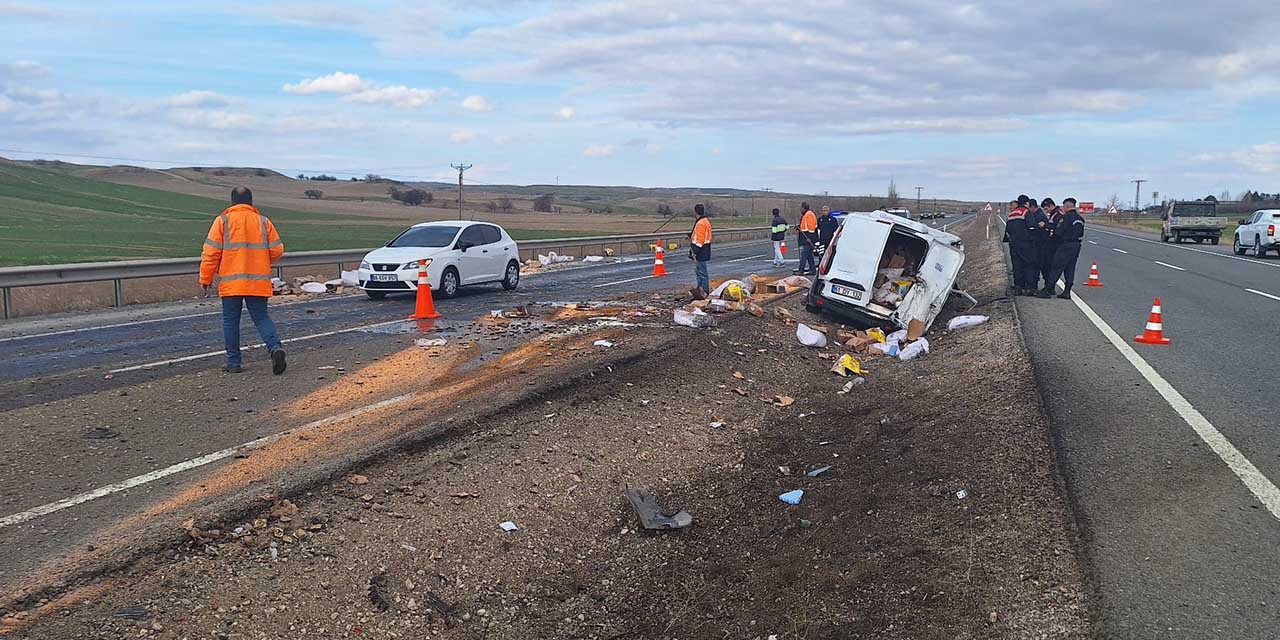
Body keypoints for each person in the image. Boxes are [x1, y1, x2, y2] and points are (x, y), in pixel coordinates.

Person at [200, 186, 287, 374]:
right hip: (257, 281)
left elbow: (210, 253)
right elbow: (278, 249)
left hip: (231, 283)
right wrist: (261, 261)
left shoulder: (222, 221)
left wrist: (205, 278)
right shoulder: (263, 222)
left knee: (230, 321)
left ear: (232, 202)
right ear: (251, 201)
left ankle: (234, 363)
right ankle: (275, 348)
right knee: (261, 317)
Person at [1042, 198, 1085, 299]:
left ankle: (1048, 290)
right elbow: (1081, 233)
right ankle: (1067, 291)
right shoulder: (1080, 219)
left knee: (1056, 267)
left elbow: (1059, 232)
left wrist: (1052, 236)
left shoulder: (1066, 218)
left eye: (1064, 206)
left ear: (1067, 206)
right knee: (1070, 268)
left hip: (1065, 245)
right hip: (1076, 245)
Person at [1002, 196, 1034, 296]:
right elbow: (1032, 227)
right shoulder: (1026, 212)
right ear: (1026, 203)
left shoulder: (1012, 214)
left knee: (1017, 266)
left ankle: (1018, 287)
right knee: (1029, 264)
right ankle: (1028, 288)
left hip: (1013, 244)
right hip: (1025, 243)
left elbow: (1007, 230)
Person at [1035, 197, 1063, 298]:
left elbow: (1056, 229)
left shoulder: (1058, 215)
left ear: (1051, 205)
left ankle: (1049, 288)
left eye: (1046, 209)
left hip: (1054, 245)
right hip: (1051, 244)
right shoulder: (1053, 214)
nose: (1046, 211)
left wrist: (1046, 226)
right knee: (1047, 266)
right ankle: (1049, 287)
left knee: (1049, 267)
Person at [1024, 197, 1049, 292]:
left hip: (1040, 245)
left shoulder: (1039, 216)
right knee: (1037, 266)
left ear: (1032, 207)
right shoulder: (1036, 214)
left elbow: (1036, 229)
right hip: (1038, 244)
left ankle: (1040, 286)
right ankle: (1034, 285)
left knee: (1039, 266)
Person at [689, 203, 713, 295]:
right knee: (699, 271)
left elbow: (700, 240)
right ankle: (700, 289)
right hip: (705, 249)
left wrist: (694, 251)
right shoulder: (705, 221)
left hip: (700, 251)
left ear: (695, 212)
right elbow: (700, 236)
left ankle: (704, 291)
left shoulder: (700, 223)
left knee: (701, 272)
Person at [796, 202, 818, 275]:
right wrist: (798, 227)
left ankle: (801, 270)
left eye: (801, 208)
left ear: (804, 208)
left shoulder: (809, 214)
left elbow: (811, 228)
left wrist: (809, 238)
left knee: (804, 255)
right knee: (809, 256)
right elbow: (804, 226)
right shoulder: (806, 215)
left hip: (808, 238)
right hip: (805, 238)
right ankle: (813, 270)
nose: (800, 210)